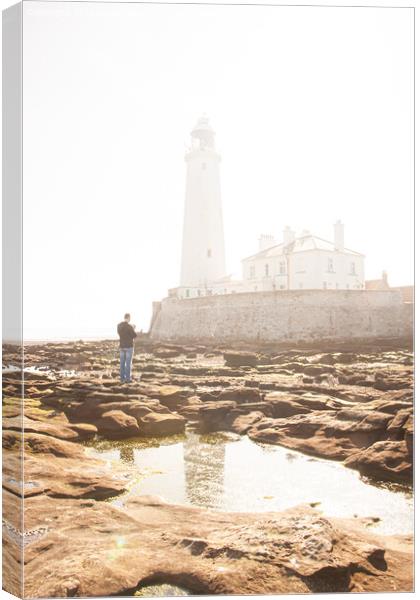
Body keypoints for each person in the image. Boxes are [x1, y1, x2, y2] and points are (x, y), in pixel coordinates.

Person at [117, 313, 137, 383]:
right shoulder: (129, 327)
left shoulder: (119, 326)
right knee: (128, 364)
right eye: (130, 318)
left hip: (122, 346)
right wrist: (133, 328)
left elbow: (120, 334)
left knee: (122, 363)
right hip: (129, 347)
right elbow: (134, 335)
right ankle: (128, 379)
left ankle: (122, 379)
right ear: (128, 318)